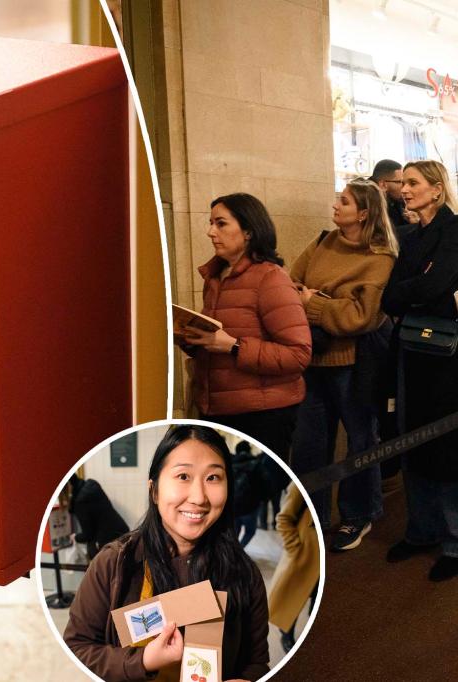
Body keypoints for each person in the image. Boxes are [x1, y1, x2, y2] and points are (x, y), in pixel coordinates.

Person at [64, 425, 270, 681]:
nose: (198, 497)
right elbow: (78, 647)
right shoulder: (114, 563)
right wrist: (143, 661)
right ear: (154, 490)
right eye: (183, 476)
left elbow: (258, 662)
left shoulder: (244, 573)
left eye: (213, 478)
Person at [381, 160, 458, 582]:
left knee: (453, 444)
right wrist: (415, 289)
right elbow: (390, 299)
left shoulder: (457, 229)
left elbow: (430, 286)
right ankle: (423, 530)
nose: (404, 189)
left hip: (450, 357)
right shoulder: (411, 237)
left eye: (413, 183)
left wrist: (413, 289)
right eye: (403, 183)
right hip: (414, 351)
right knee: (417, 442)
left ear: (436, 190)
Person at [289, 179, 397, 551]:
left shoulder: (380, 257)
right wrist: (327, 304)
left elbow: (360, 317)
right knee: (309, 445)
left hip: (355, 364)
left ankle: (358, 515)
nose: (335, 205)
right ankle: (309, 521)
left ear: (364, 212)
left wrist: (313, 304)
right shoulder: (323, 241)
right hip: (313, 359)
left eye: (344, 201)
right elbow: (290, 285)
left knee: (360, 441)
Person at [181, 194, 312, 461]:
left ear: (249, 232)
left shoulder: (270, 278)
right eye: (211, 223)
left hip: (262, 414)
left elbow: (298, 354)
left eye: (220, 224)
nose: (210, 232)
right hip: (218, 408)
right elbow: (219, 338)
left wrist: (234, 346)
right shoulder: (216, 276)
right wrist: (191, 338)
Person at [267, 483, 319, 654]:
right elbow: (283, 519)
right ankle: (286, 632)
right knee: (292, 599)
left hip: (322, 557)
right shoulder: (303, 480)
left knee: (315, 602)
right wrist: (295, 548)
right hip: (304, 555)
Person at [69, 474, 131, 560]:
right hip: (122, 532)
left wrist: (75, 537)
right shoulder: (91, 485)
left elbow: (88, 535)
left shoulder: (80, 502)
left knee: (106, 571)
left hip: (107, 543)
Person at [370, 159, 407, 237]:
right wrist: (418, 225)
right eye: (400, 182)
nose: (405, 188)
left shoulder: (397, 198)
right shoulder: (368, 201)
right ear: (383, 185)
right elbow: (385, 235)